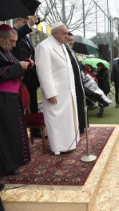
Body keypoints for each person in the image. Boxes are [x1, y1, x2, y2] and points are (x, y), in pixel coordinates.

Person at [35, 22, 79, 155]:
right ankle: (58, 147)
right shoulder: (44, 47)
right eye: (64, 33)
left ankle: (70, 143)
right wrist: (50, 93)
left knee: (68, 119)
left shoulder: (62, 46)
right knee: (57, 120)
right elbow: (44, 72)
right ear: (55, 33)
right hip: (56, 92)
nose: (67, 36)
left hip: (68, 91)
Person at [0, 24, 33, 176]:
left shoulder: (6, 53)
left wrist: (26, 65)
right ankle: (8, 165)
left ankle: (17, 159)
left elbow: (14, 68)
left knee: (15, 130)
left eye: (15, 42)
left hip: (13, 97)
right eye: (11, 41)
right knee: (6, 133)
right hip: (3, 99)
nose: (14, 45)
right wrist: (19, 67)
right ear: (1, 38)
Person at [11, 16, 43, 138]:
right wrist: (29, 24)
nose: (26, 25)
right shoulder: (13, 35)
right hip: (19, 77)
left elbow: (32, 56)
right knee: (21, 107)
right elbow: (16, 36)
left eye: (27, 23)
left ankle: (35, 131)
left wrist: (36, 80)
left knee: (33, 104)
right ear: (16, 21)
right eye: (24, 23)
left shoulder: (27, 37)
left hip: (30, 77)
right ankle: (21, 132)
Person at [65, 32, 87, 134]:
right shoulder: (64, 52)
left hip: (78, 84)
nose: (71, 42)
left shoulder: (72, 52)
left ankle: (80, 126)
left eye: (72, 40)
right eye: (69, 40)